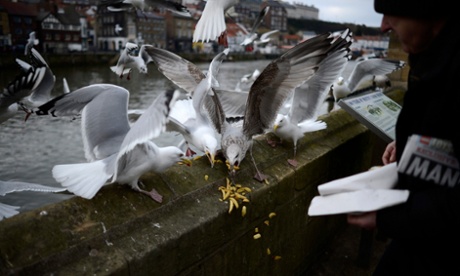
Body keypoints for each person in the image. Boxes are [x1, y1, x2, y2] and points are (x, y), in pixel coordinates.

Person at [347, 1, 460, 275]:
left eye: (391, 12)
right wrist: (414, 142)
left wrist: (386, 217)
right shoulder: (433, 54)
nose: (384, 25)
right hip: (422, 238)